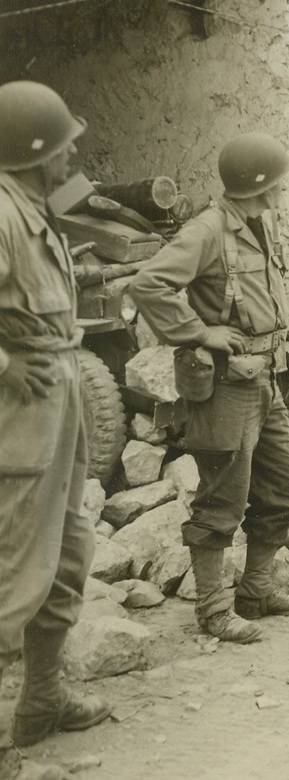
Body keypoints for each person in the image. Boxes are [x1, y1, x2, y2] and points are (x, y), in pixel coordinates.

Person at [131, 133, 289, 640]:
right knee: (221, 504)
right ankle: (213, 611)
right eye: (276, 181)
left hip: (266, 381)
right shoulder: (207, 229)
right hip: (225, 389)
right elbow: (147, 285)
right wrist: (199, 332)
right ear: (257, 184)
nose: (282, 189)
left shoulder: (262, 222)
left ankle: (255, 590)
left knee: (286, 490)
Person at [0, 82, 110, 748]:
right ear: (35, 152)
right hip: (20, 414)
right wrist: (6, 366)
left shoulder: (33, 208)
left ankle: (41, 697)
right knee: (12, 564)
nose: (73, 156)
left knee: (67, 550)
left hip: (58, 398)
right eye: (65, 146)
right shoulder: (3, 214)